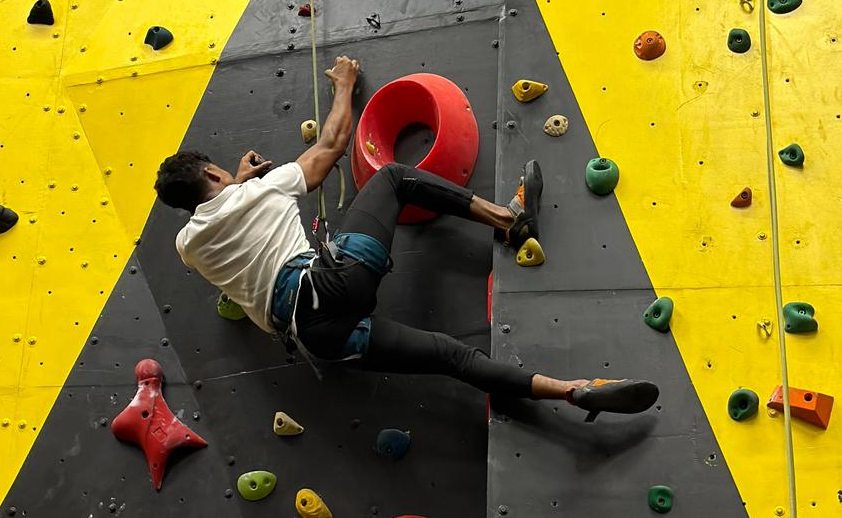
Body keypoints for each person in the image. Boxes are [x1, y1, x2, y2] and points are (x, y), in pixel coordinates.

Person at [154, 55, 658, 419]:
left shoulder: (186, 247)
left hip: (317, 337)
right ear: (214, 174)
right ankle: (509, 220)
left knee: (450, 356)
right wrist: (345, 85)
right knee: (393, 177)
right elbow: (330, 146)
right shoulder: (261, 189)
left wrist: (238, 183)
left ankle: (573, 390)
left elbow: (220, 215)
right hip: (334, 281)